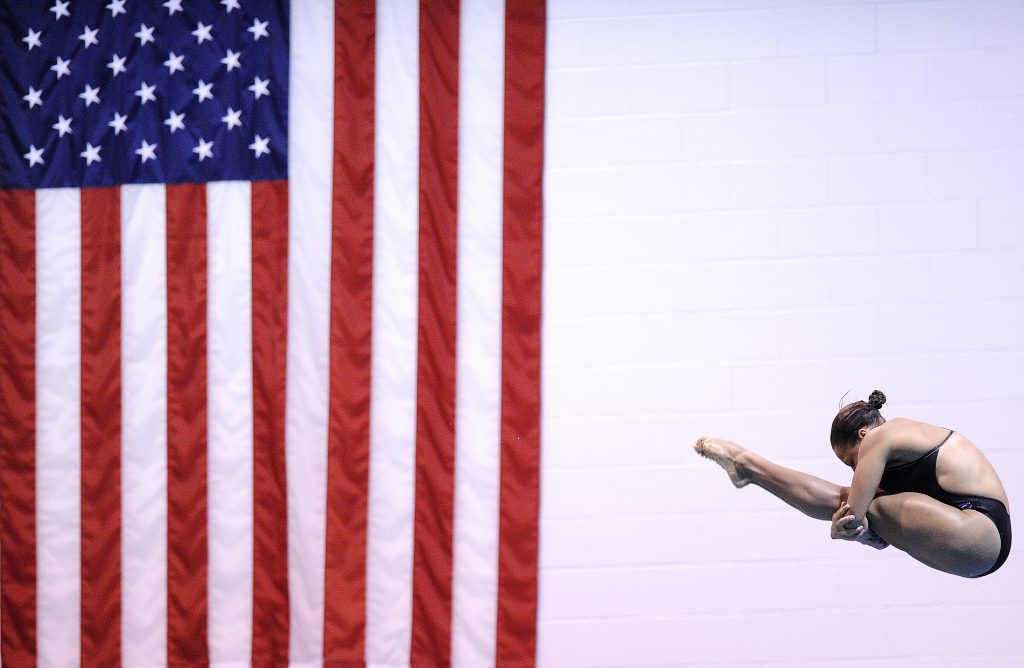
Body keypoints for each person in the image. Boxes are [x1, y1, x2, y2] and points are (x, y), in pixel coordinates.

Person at [693, 390, 1011, 578]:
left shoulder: (880, 437)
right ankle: (748, 467)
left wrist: (843, 530)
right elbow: (866, 524)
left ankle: (748, 466)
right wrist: (863, 533)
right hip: (979, 547)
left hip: (979, 531)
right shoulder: (907, 445)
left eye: (851, 461)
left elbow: (851, 515)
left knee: (853, 502)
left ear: (862, 436)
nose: (856, 469)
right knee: (859, 501)